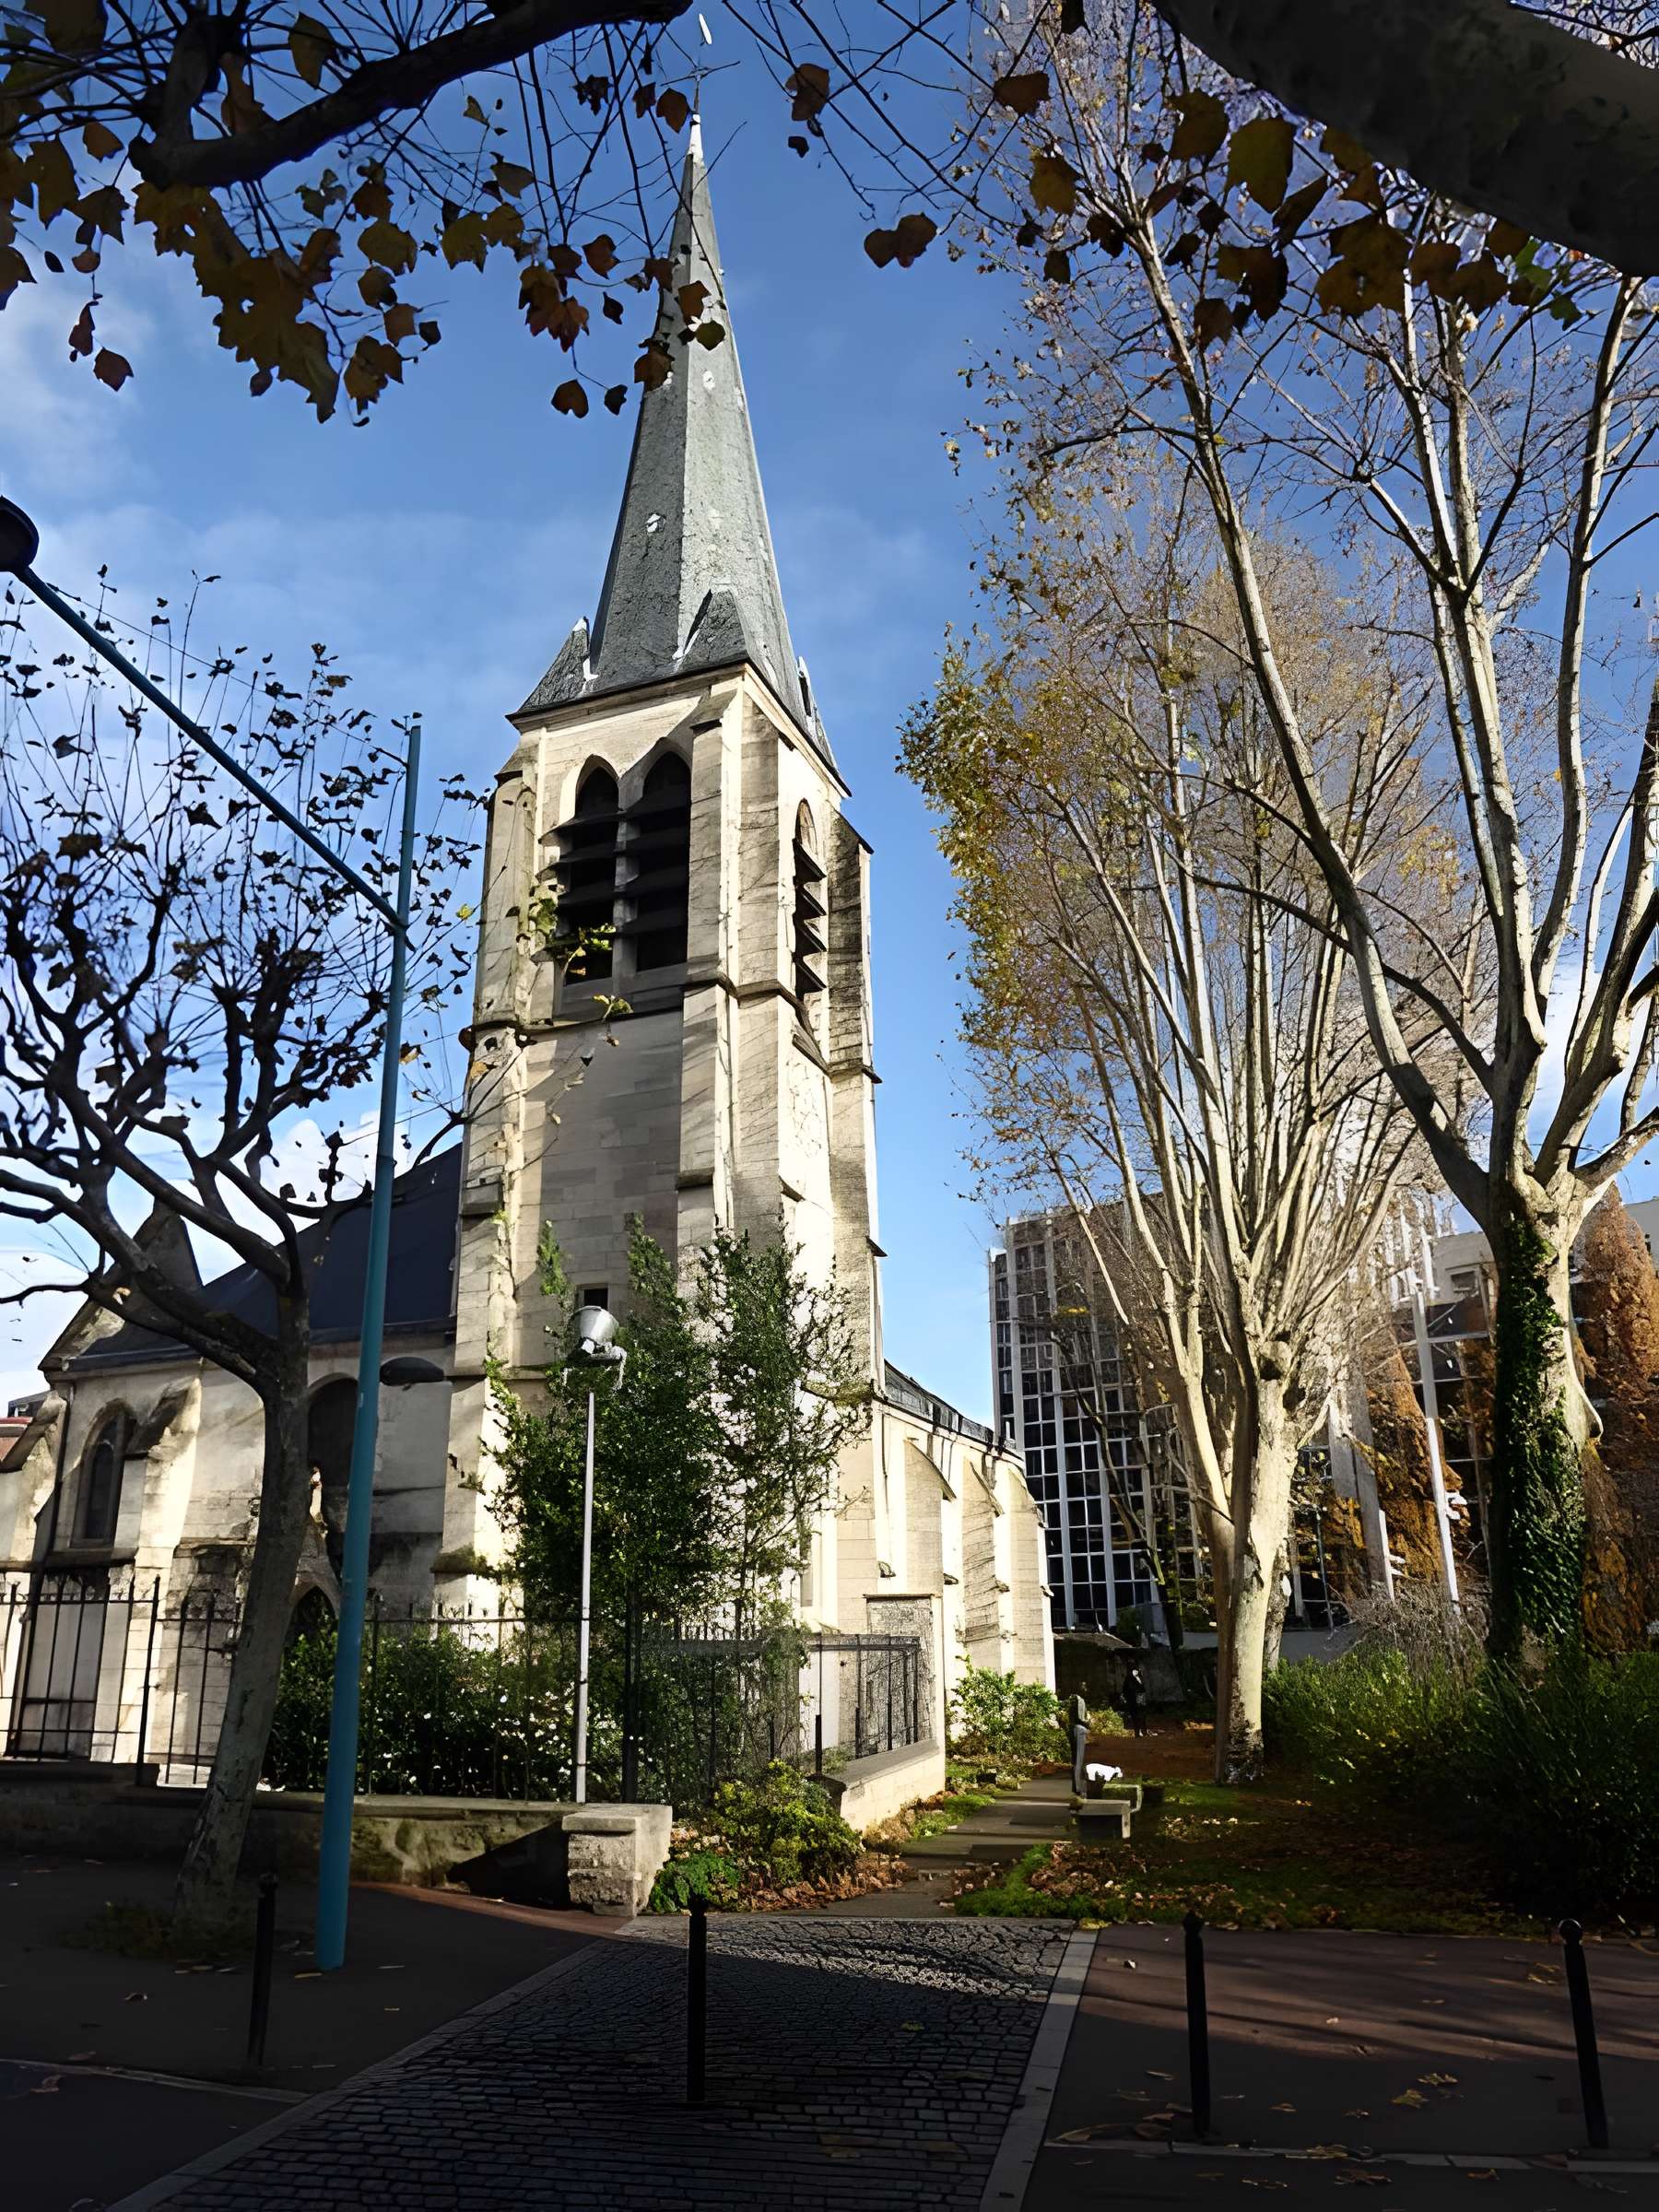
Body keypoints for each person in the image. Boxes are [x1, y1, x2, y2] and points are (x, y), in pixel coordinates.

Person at [1122, 1660, 1147, 1738]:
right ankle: (1140, 1732)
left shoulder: (1135, 1678)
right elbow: (1126, 1690)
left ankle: (1140, 1732)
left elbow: (1142, 1689)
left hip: (1135, 1700)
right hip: (1134, 1700)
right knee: (1138, 1716)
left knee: (1138, 1716)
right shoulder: (1133, 1678)